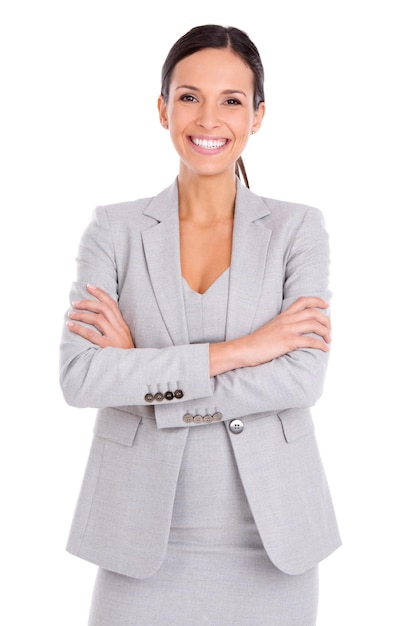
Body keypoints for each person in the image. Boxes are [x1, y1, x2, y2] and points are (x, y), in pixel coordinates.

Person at [60, 24, 341, 626]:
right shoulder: (114, 231)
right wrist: (248, 348)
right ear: (162, 109)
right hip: (139, 538)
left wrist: (143, 376)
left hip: (271, 541)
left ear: (258, 115)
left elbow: (302, 379)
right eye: (189, 96)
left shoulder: (298, 230)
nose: (208, 119)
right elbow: (82, 378)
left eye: (231, 100)